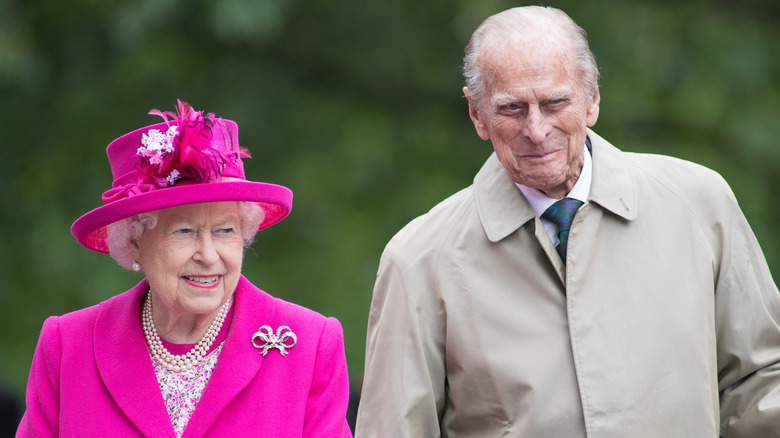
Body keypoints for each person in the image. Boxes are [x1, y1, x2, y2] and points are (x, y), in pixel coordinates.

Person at [355, 6, 780, 437]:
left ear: (592, 98)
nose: (536, 130)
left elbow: (761, 383)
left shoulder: (699, 206)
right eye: (512, 109)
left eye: (555, 102)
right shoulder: (419, 261)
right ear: (477, 115)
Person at [17, 100, 353, 437]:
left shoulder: (310, 345)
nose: (208, 255)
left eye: (225, 230)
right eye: (184, 231)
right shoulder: (68, 346)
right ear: (134, 241)